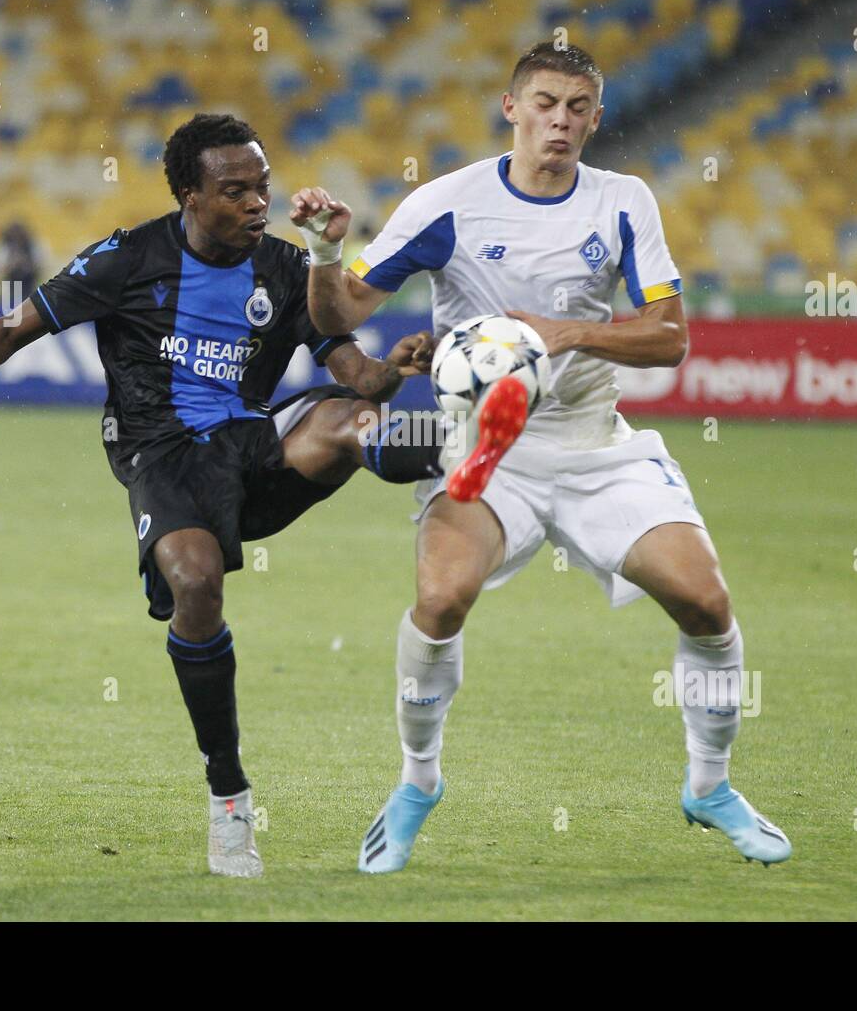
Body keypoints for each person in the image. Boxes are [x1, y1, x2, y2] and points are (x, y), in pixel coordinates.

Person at [0, 113, 476, 878]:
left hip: (253, 448)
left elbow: (356, 373)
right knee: (195, 583)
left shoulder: (289, 270)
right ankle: (229, 797)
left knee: (352, 421)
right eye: (235, 191)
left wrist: (395, 371)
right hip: (159, 452)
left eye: (263, 186)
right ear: (191, 197)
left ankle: (480, 451)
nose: (257, 203)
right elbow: (15, 325)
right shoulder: (130, 258)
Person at [293, 42, 792, 873]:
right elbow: (339, 309)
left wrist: (570, 333)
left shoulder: (623, 202)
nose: (562, 121)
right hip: (490, 449)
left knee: (706, 603)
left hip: (595, 446)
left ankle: (709, 787)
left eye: (578, 108)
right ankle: (418, 783)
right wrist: (317, 248)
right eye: (547, 103)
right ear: (511, 107)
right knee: (441, 597)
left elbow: (671, 338)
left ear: (596, 118)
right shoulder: (448, 204)